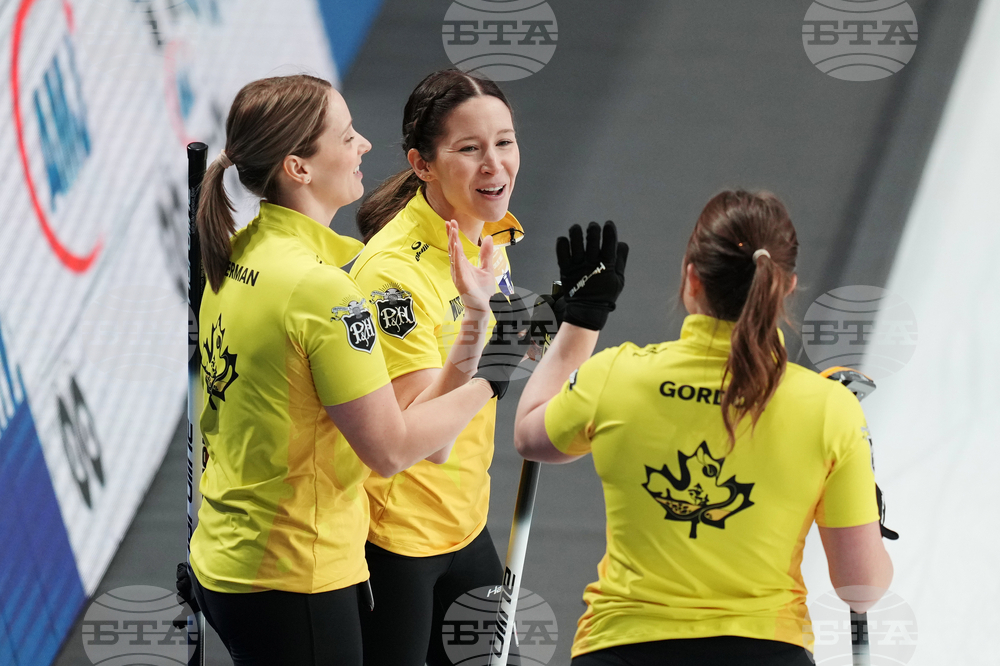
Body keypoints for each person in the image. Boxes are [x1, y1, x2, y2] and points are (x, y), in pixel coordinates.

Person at [187, 74, 506, 666]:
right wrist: (496, 374)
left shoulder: (244, 250)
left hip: (233, 554)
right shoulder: (322, 292)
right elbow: (392, 450)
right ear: (298, 168)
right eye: (346, 135)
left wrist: (474, 325)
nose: (364, 146)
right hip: (293, 570)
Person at [514, 192, 894, 666]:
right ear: (787, 286)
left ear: (691, 278)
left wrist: (581, 323)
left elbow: (530, 436)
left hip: (622, 648)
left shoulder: (618, 375)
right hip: (765, 652)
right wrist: (867, 507)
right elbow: (861, 586)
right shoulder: (830, 409)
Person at [349, 69, 525, 666]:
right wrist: (495, 362)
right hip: (396, 538)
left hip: (465, 521)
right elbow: (420, 438)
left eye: (504, 142)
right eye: (469, 149)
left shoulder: (489, 232)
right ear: (422, 163)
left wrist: (560, 327)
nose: (494, 166)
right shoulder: (390, 275)